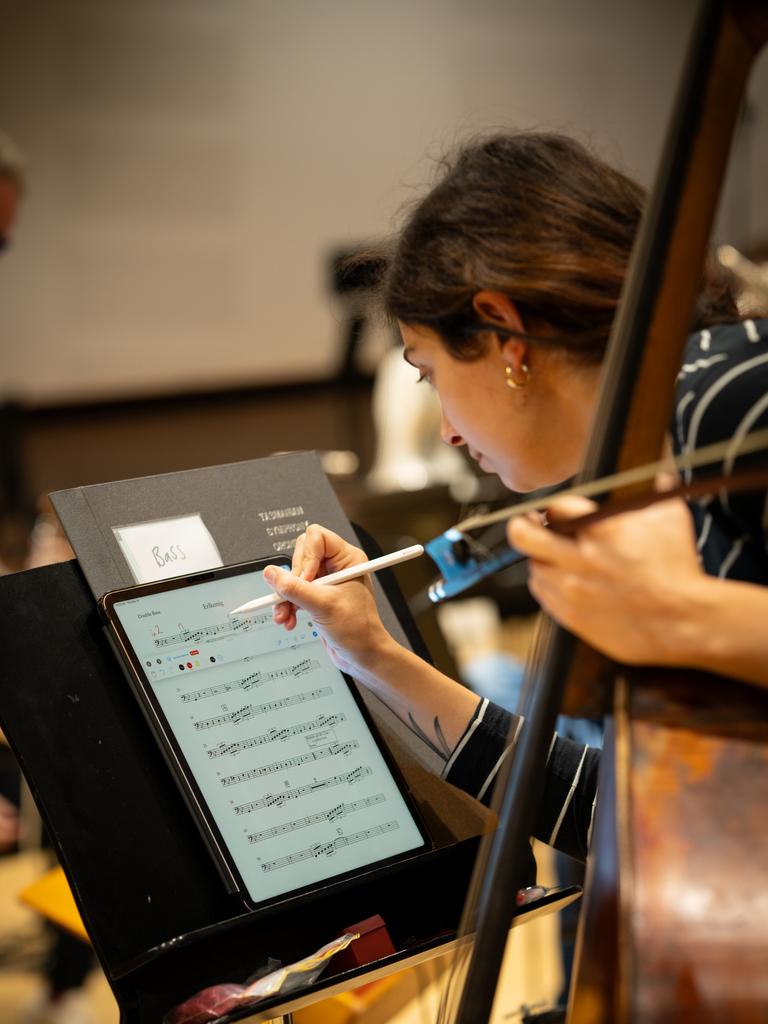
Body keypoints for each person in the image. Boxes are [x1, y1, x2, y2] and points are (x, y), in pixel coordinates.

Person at [263, 132, 768, 864]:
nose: (447, 430)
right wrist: (372, 654)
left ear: (507, 336)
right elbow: (628, 823)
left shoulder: (733, 395)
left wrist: (679, 615)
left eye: (430, 373)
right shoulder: (655, 454)